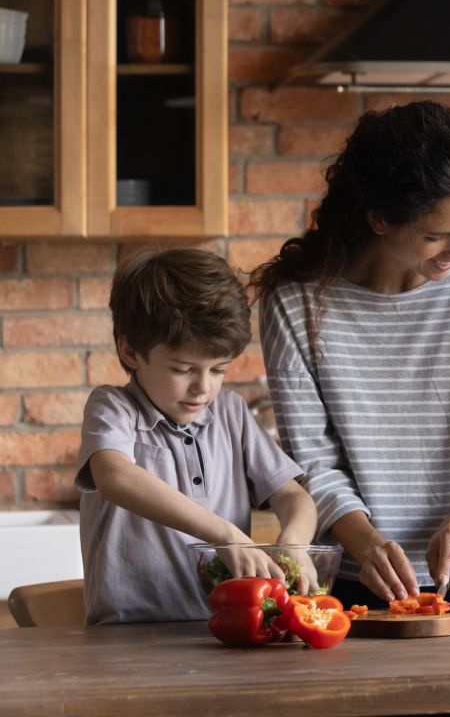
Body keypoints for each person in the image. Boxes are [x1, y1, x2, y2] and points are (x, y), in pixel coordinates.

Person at [252, 101, 450, 609]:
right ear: (379, 219)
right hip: (358, 574)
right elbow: (313, 456)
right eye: (436, 236)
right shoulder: (296, 303)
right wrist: (366, 544)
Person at [76, 247, 318, 624]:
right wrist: (225, 534)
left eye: (218, 369)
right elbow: (114, 475)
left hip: (225, 628)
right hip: (128, 634)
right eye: (183, 369)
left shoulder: (231, 414)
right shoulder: (113, 407)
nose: (202, 388)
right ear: (131, 351)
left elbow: (292, 495)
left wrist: (294, 543)